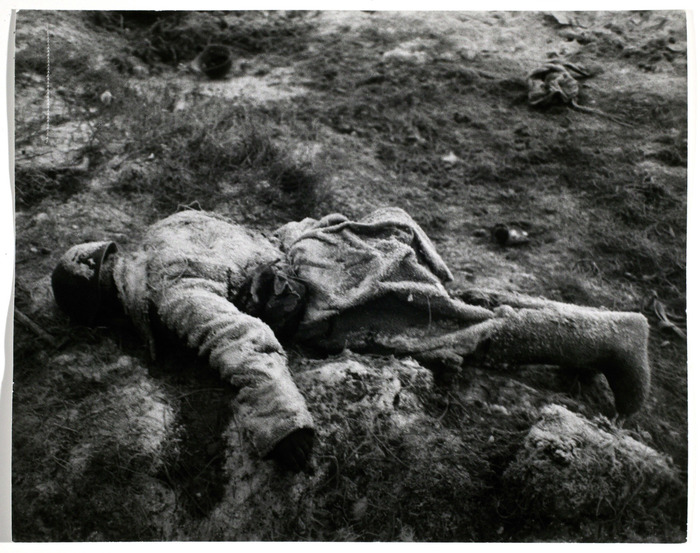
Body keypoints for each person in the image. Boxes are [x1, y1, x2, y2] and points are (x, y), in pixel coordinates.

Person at [51, 207, 651, 472]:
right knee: (459, 304)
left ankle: (612, 337)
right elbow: (252, 237)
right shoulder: (168, 228)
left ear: (108, 308)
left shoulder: (169, 292)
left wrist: (282, 419)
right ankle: (591, 328)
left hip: (335, 293)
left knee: (459, 335)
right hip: (328, 244)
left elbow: (240, 340)